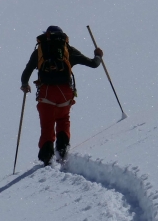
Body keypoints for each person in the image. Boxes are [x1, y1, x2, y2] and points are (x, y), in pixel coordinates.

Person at [20, 26, 103, 166]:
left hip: (46, 92)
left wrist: (25, 84)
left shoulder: (39, 51)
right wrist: (98, 55)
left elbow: (25, 74)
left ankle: (47, 157)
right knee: (63, 119)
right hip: (65, 93)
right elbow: (93, 64)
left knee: (47, 125)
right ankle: (63, 150)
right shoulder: (68, 50)